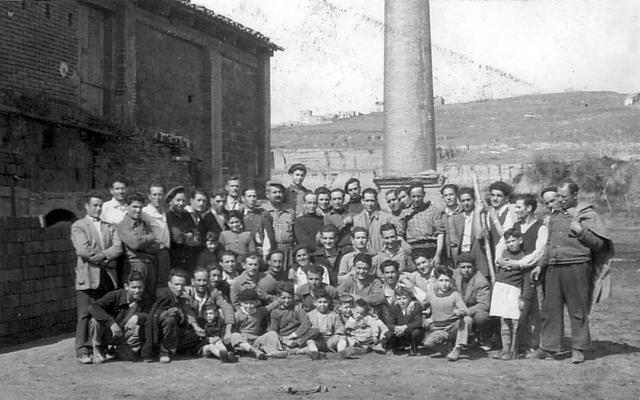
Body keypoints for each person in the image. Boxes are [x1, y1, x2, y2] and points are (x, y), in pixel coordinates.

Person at [531, 179, 613, 363]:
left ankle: (579, 348)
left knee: (578, 309)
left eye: (564, 196)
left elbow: (599, 245)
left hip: (577, 267)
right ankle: (550, 348)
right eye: (558, 196)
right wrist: (540, 265)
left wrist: (581, 231)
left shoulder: (589, 216)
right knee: (550, 309)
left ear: (576, 195)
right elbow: (549, 244)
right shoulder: (555, 216)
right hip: (554, 267)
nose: (560, 200)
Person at [71, 191, 122, 364]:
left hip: (107, 276)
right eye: (94, 205)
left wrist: (103, 257)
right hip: (88, 276)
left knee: (105, 312)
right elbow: (83, 250)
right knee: (85, 314)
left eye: (100, 205)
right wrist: (104, 258)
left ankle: (103, 346)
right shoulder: (79, 225)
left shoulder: (109, 226)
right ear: (86, 206)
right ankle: (83, 350)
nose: (98, 208)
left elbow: (117, 248)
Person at [495, 193, 548, 356]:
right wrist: (499, 259)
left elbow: (540, 251)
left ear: (529, 208)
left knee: (534, 309)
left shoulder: (541, 227)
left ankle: (534, 346)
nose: (516, 210)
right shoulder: (515, 226)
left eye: (518, 207)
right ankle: (513, 347)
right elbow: (501, 243)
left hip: (532, 274)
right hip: (512, 277)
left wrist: (519, 263)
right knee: (514, 310)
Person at [142, 269, 204, 363]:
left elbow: (188, 312)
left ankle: (175, 350)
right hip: (156, 331)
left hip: (175, 331)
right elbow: (154, 315)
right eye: (176, 284)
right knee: (169, 320)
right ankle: (164, 351)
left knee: (192, 335)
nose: (179, 288)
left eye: (182, 285)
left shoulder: (183, 297)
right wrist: (166, 313)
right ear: (169, 284)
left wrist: (195, 326)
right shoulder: (164, 295)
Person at [88, 271, 151, 363]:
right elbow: (93, 307)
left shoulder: (146, 299)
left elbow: (151, 315)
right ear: (126, 286)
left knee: (132, 357)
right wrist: (111, 322)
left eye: (140, 287)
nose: (137, 291)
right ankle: (98, 348)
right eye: (134, 287)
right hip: (108, 331)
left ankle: (116, 350)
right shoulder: (115, 295)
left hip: (125, 334)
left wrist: (139, 316)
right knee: (94, 321)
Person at [490, 229, 526, 360]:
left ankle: (513, 349)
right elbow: (498, 261)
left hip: (514, 289)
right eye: (508, 242)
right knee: (503, 319)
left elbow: (525, 277)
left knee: (514, 319)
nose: (511, 244)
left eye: (513, 241)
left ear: (520, 240)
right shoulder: (503, 253)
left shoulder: (523, 257)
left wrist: (522, 295)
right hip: (501, 287)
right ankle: (505, 348)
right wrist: (500, 261)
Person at [422, 266, 469, 362]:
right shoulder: (431, 294)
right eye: (441, 280)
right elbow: (423, 307)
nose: (444, 284)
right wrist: (425, 318)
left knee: (466, 320)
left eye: (447, 281)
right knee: (428, 343)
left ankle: (458, 348)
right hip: (438, 328)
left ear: (451, 281)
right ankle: (446, 350)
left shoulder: (454, 294)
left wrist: (460, 312)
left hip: (453, 327)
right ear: (436, 281)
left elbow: (465, 310)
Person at [117, 193, 161, 297]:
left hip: (149, 264)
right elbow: (135, 244)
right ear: (127, 207)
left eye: (140, 207)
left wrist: (144, 242)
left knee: (149, 297)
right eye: (134, 207)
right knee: (135, 297)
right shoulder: (124, 225)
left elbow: (157, 245)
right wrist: (151, 237)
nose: (138, 210)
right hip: (135, 265)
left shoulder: (144, 223)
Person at [269, 281, 323, 360]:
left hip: (298, 337)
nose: (287, 301)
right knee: (272, 335)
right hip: (284, 339)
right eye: (284, 298)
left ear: (293, 297)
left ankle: (295, 348)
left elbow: (306, 324)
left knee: (314, 330)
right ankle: (297, 350)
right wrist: (284, 340)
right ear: (278, 297)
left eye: (289, 298)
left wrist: (292, 336)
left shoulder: (297, 308)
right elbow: (273, 330)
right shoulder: (275, 312)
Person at [230, 288, 285, 359]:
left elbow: (270, 307)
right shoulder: (238, 314)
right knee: (234, 335)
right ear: (241, 303)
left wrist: (279, 300)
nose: (248, 306)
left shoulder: (259, 312)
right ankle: (255, 352)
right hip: (243, 342)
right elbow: (232, 327)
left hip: (255, 340)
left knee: (272, 334)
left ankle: (273, 352)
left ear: (256, 303)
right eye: (246, 303)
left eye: (251, 303)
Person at [184, 267, 235, 342]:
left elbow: (227, 307)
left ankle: (223, 338)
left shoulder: (213, 292)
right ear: (193, 281)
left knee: (221, 312)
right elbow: (187, 310)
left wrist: (228, 330)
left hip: (207, 325)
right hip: (191, 325)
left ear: (208, 281)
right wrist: (195, 326)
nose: (202, 284)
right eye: (199, 280)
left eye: (204, 280)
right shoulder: (188, 293)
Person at [452, 253, 491, 350]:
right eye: (463, 267)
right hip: (461, 308)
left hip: (475, 310)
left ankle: (485, 338)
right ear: (458, 267)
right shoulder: (455, 275)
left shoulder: (481, 281)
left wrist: (465, 312)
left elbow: (484, 304)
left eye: (469, 267)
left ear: (474, 266)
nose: (466, 270)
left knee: (481, 318)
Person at [450, 187, 490, 278]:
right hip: (463, 254)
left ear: (474, 200)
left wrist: (477, 213)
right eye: (463, 201)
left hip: (477, 252)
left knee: (480, 278)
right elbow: (455, 242)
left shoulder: (481, 215)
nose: (466, 203)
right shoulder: (456, 218)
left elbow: (479, 235)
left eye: (468, 200)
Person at [402, 183, 446, 265]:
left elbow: (440, 233)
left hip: (431, 248)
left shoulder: (433, 210)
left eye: (419, 196)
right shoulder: (405, 213)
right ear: (409, 196)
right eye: (413, 196)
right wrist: (405, 245)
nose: (416, 199)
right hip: (414, 249)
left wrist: (438, 255)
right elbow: (399, 234)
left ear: (424, 195)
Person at [166, 186, 201, 273]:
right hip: (175, 258)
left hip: (189, 257)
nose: (181, 203)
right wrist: (189, 235)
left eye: (183, 200)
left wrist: (192, 236)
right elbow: (178, 238)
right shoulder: (168, 216)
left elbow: (197, 234)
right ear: (171, 201)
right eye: (178, 200)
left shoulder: (186, 215)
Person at [142, 184, 171, 288]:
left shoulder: (165, 212)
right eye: (154, 194)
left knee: (163, 283)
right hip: (152, 253)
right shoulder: (145, 212)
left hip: (164, 253)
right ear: (149, 196)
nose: (157, 198)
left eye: (160, 194)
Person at [307, 289, 349, 355]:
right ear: (315, 303)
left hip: (330, 340)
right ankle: (315, 354)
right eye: (320, 302)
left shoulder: (334, 315)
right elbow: (306, 328)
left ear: (329, 302)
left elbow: (340, 327)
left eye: (325, 302)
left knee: (342, 338)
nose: (322, 304)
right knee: (310, 342)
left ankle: (342, 353)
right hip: (318, 340)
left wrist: (337, 334)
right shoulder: (310, 315)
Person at [353, 188, 396, 253]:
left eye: (372, 201)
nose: (370, 204)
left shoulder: (387, 218)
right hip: (364, 257)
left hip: (382, 255)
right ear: (362, 201)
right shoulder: (356, 219)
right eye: (367, 201)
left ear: (376, 201)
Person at [384, 287, 424, 356]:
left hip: (410, 330)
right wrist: (396, 328)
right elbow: (389, 323)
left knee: (416, 332)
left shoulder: (416, 306)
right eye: (399, 299)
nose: (402, 301)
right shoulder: (394, 308)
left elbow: (418, 322)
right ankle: (396, 347)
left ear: (409, 298)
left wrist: (405, 327)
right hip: (399, 331)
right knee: (388, 334)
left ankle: (414, 349)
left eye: (404, 298)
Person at [264, 181, 295, 268]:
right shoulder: (262, 211)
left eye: (280, 192)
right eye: (274, 192)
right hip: (270, 250)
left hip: (287, 250)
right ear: (267, 195)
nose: (278, 195)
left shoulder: (290, 211)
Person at [242, 187, 276, 258]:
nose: (252, 199)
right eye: (249, 196)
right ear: (243, 198)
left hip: (260, 252)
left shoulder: (263, 214)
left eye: (254, 196)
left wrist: (266, 252)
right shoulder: (239, 214)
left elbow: (268, 235)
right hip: (244, 252)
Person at [486, 181, 515, 254]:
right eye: (492, 195)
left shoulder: (511, 211)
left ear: (506, 198)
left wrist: (495, 219)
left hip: (508, 252)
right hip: (494, 252)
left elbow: (505, 236)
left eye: (499, 196)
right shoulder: (490, 212)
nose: (495, 199)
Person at [440, 184, 462, 267]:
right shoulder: (440, 214)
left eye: (451, 194)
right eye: (446, 195)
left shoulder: (463, 212)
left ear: (457, 195)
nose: (449, 198)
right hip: (447, 252)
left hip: (461, 250)